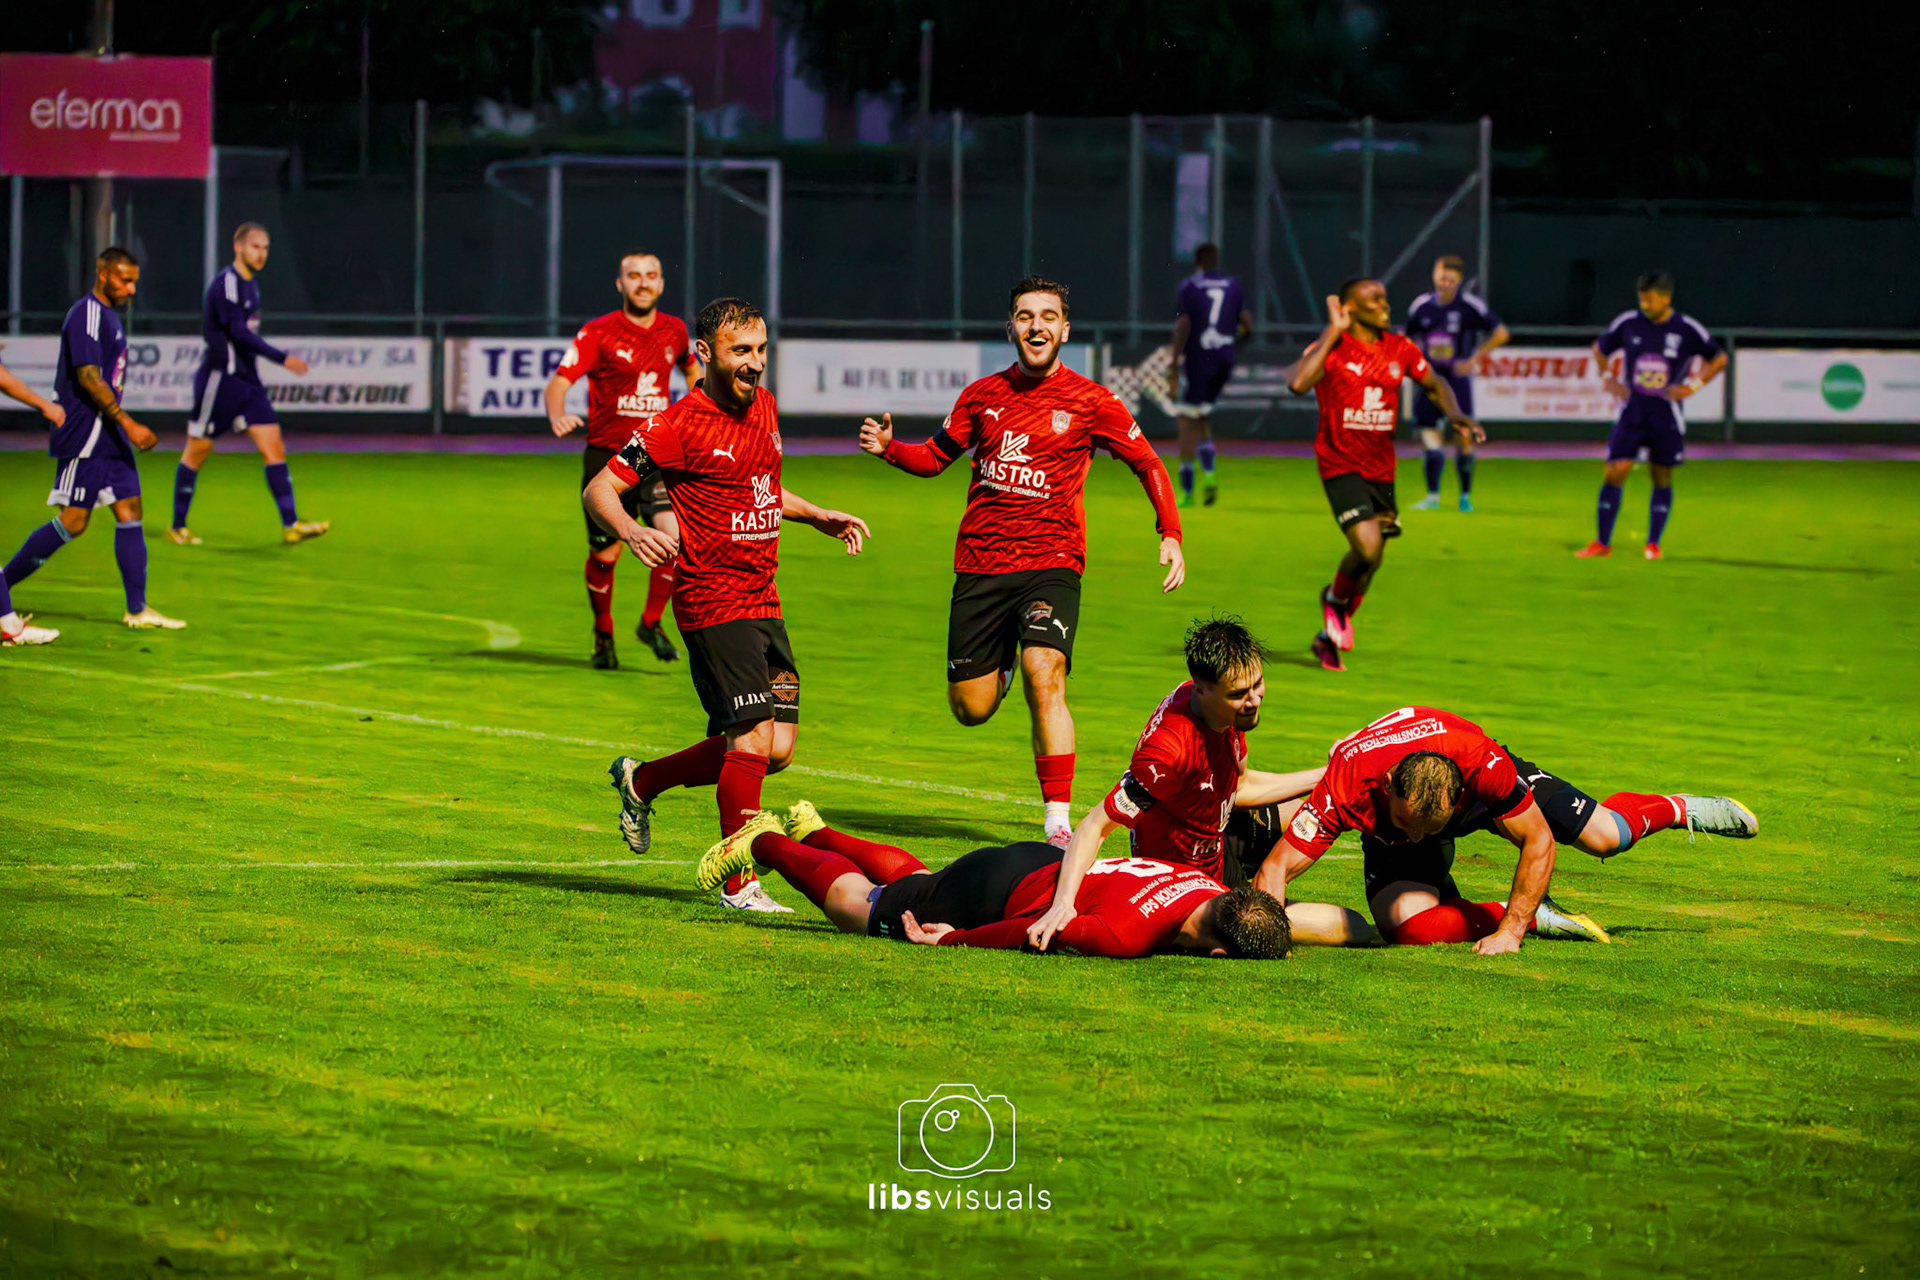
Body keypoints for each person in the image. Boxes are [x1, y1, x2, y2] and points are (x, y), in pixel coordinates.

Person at [858, 276, 1185, 846]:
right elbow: (936, 458)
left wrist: (1171, 531)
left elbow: (1149, 462)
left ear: (1065, 329)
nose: (1037, 326)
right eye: (1025, 316)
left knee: (1047, 674)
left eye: (1048, 316)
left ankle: (1058, 821)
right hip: (980, 566)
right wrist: (889, 449)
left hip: (1052, 562)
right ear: (1011, 326)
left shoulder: (1092, 402)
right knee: (971, 707)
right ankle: (998, 666)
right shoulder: (981, 396)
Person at [590, 297, 870, 913]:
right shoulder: (677, 425)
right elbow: (600, 487)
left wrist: (815, 514)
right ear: (705, 354)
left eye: (762, 351)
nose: (755, 364)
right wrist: (632, 531)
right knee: (749, 741)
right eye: (741, 351)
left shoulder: (765, 407)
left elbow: (763, 487)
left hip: (764, 593)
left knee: (776, 750)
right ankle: (739, 883)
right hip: (712, 598)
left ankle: (643, 780)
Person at [1249, 705, 1761, 954]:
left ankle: (1677, 807)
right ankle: (1537, 914)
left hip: (1478, 794)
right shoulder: (1348, 781)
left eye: (1433, 829)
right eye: (1408, 826)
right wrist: (1265, 942)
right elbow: (1276, 869)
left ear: (1456, 797)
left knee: (1606, 836)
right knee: (1407, 929)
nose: (1421, 840)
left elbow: (1536, 839)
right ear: (1386, 789)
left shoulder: (1484, 767)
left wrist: (1508, 937)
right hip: (1413, 792)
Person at [1025, 615, 1349, 950]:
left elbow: (1240, 785)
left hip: (1216, 847)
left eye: (1258, 684)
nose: (1254, 700)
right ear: (1201, 688)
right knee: (1346, 926)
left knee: (1309, 811)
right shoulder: (1168, 754)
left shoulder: (1226, 712)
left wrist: (1328, 772)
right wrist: (1063, 903)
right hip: (1185, 886)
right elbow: (1096, 825)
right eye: (1239, 694)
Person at [697, 801, 1370, 957]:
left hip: (1034, 863)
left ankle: (816, 828)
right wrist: (949, 942)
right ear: (1218, 952)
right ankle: (769, 840)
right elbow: (1031, 933)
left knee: (914, 876)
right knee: (861, 906)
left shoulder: (1205, 884)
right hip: (993, 895)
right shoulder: (1126, 936)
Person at [1286, 280, 1484, 672]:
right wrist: (1333, 332)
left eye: (1383, 297)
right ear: (1350, 307)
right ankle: (1334, 602)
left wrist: (1456, 415)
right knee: (1367, 547)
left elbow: (1434, 383)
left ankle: (1327, 638)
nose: (1383, 304)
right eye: (1373, 299)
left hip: (1381, 470)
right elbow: (1298, 383)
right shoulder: (1334, 349)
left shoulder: (1399, 349)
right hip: (1339, 463)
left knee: (1372, 563)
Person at [1, 247, 185, 641]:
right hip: (85, 432)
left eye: (135, 280)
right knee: (74, 521)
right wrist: (129, 422)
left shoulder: (110, 317)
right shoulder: (85, 314)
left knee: (130, 507)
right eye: (124, 279)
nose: (131, 288)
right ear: (102, 274)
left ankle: (137, 609)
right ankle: (2, 586)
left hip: (108, 433)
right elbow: (87, 377)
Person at [545, 251, 704, 669]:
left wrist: (700, 401)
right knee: (606, 555)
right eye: (633, 276)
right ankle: (603, 633)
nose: (643, 282)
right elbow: (559, 381)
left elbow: (692, 369)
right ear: (620, 284)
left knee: (676, 544)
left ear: (662, 283)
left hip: (657, 456)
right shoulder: (598, 333)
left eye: (651, 275)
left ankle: (650, 623)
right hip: (607, 460)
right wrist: (557, 413)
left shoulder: (675, 330)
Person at [170, 223, 329, 547]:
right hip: (221, 380)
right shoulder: (226, 283)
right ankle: (178, 526)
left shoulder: (251, 285)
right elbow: (238, 333)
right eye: (255, 246)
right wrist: (282, 358)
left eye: (266, 248)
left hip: (247, 383)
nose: (261, 253)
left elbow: (245, 339)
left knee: (274, 446)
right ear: (238, 246)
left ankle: (291, 524)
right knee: (198, 450)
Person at [1577, 271, 1727, 560]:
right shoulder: (1628, 323)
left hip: (1665, 414)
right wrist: (1608, 376)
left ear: (1666, 298)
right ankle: (1601, 542)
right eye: (1641, 298)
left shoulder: (1685, 328)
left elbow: (1718, 358)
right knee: (1615, 470)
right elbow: (1600, 349)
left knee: (1661, 475)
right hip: (1631, 411)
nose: (1644, 304)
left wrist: (1693, 385)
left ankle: (1653, 543)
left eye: (1649, 299)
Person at [1403, 255, 1508, 513]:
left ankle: (1464, 496)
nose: (1445, 282)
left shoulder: (1469, 306)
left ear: (1458, 281)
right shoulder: (1421, 306)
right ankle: (1432, 496)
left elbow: (1501, 333)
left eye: (1451, 279)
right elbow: (1407, 336)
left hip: (1457, 380)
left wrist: (1474, 358)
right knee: (1429, 435)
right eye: (1442, 277)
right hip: (1429, 380)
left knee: (1463, 436)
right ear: (1434, 275)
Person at [1165, 243, 1250, 508]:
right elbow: (1248, 326)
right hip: (1224, 360)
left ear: (1197, 261)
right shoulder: (1234, 285)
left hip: (1200, 359)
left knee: (1185, 423)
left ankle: (1188, 493)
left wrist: (1173, 367)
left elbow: (1184, 325)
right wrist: (1230, 348)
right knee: (1201, 417)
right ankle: (1210, 475)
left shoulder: (1189, 285)